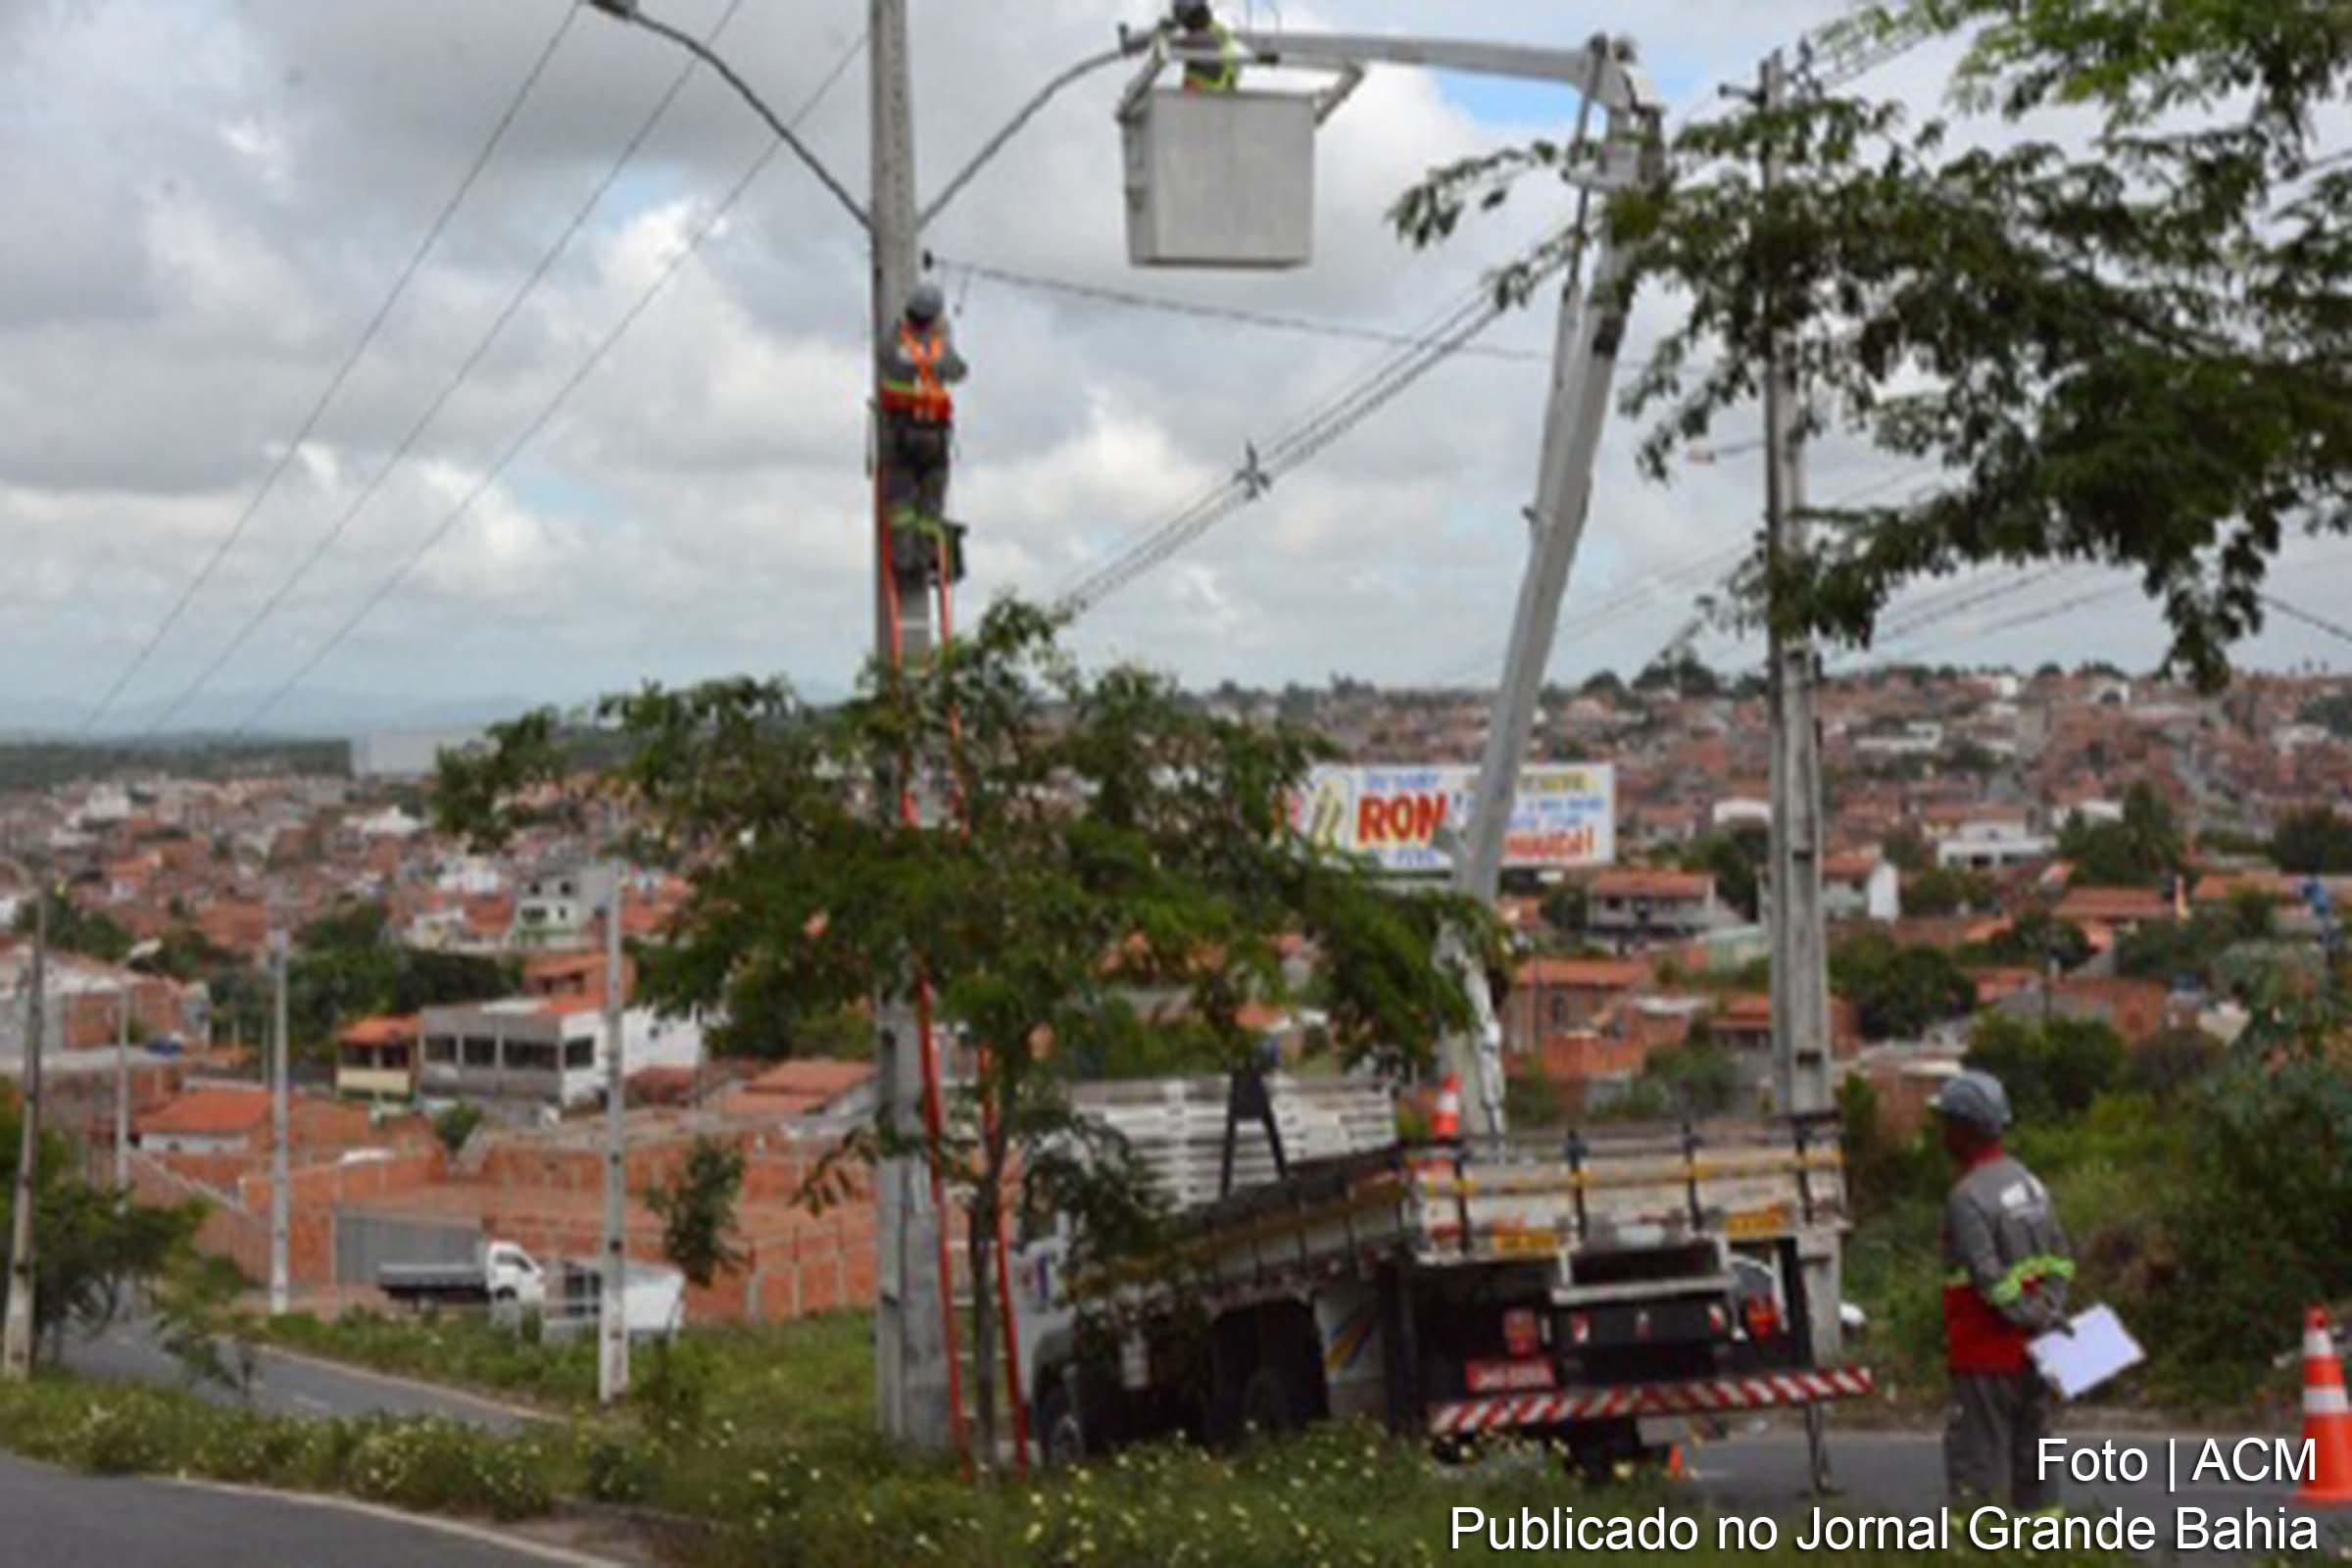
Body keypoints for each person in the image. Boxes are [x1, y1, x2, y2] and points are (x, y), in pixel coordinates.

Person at [1932, 1069, 2075, 1514]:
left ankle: (1979, 1546)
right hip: (2036, 1355)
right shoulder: (2031, 1185)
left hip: (1983, 1357)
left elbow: (1989, 1280)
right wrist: (2049, 1313)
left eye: (1946, 1122)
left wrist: (2029, 1315)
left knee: (1976, 1475)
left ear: (1966, 1129)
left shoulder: (1967, 1197)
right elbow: (2060, 1260)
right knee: (2036, 1472)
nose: (1942, 1133)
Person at [876, 280, 967, 585]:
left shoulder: (893, 344)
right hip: (934, 437)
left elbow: (885, 358)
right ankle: (925, 559)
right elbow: (959, 371)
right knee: (930, 506)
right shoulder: (941, 349)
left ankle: (903, 562)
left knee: (902, 503)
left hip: (900, 435)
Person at [1172, 0, 1241, 94]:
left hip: (1207, 96)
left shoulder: (1201, 38)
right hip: (1223, 94)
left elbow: (1183, 42)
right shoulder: (1217, 28)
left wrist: (1167, 36)